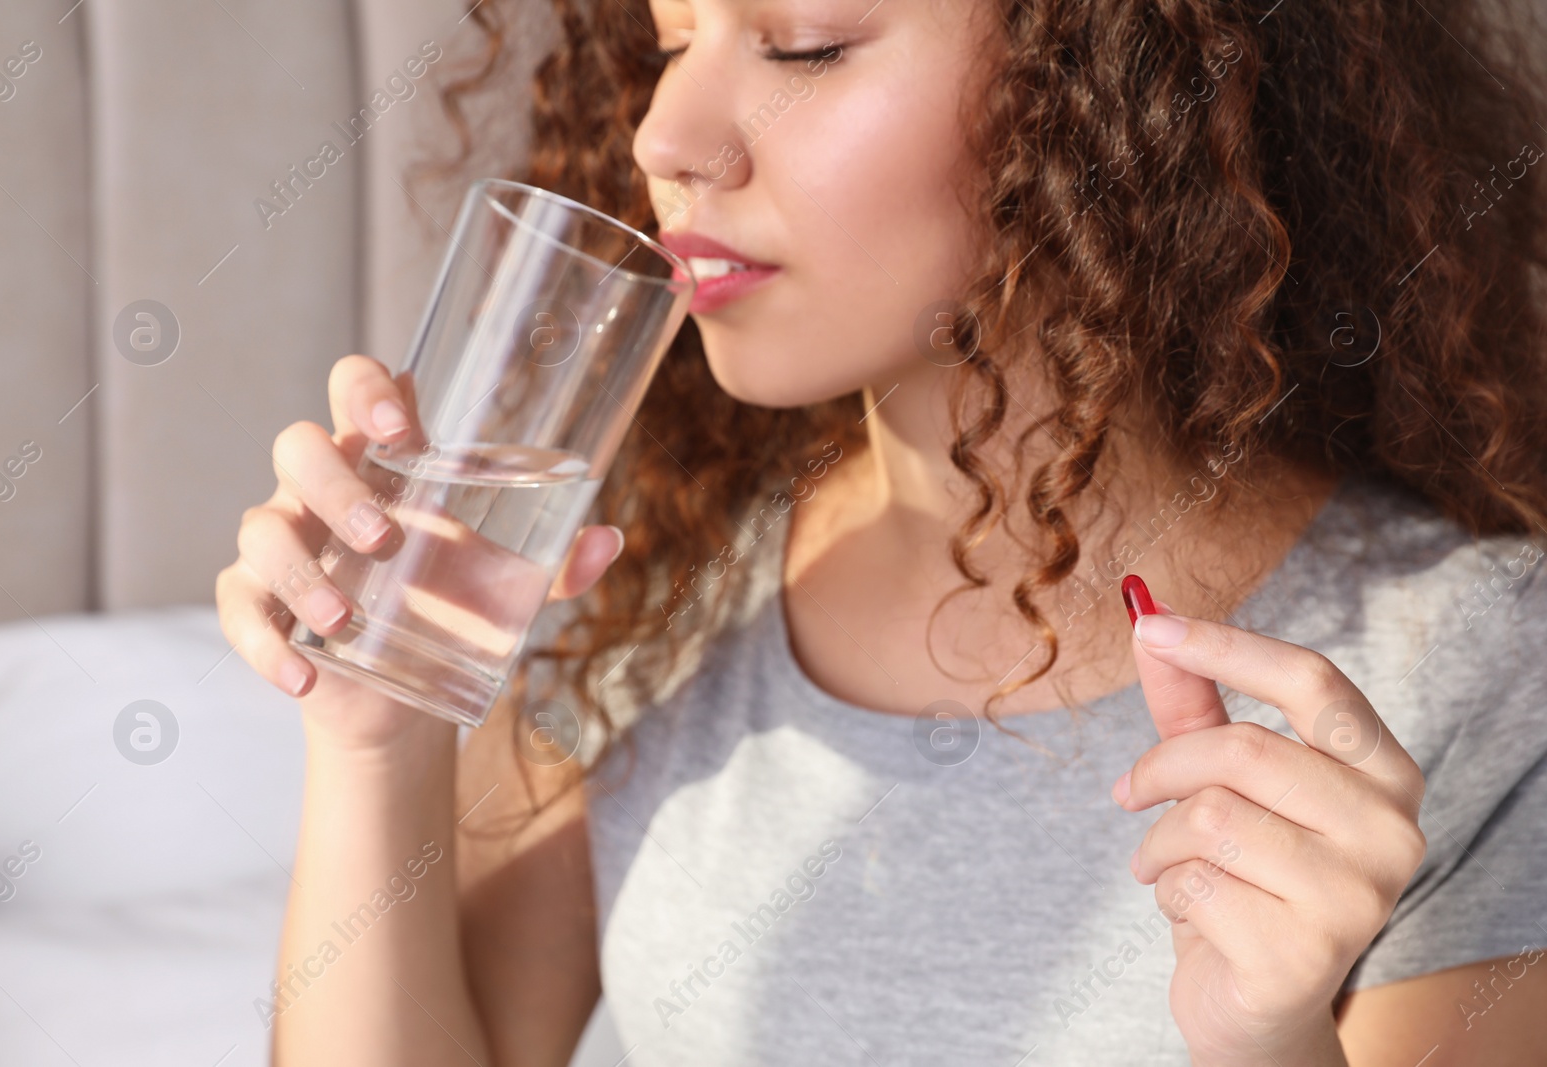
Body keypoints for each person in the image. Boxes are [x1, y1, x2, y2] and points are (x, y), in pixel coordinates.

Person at [215, 0, 1547, 1062]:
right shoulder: (650, 589)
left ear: (1097, 83)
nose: (666, 136)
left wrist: (1268, 1052)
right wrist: (375, 733)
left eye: (806, 46)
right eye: (671, 41)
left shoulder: (1482, 669)